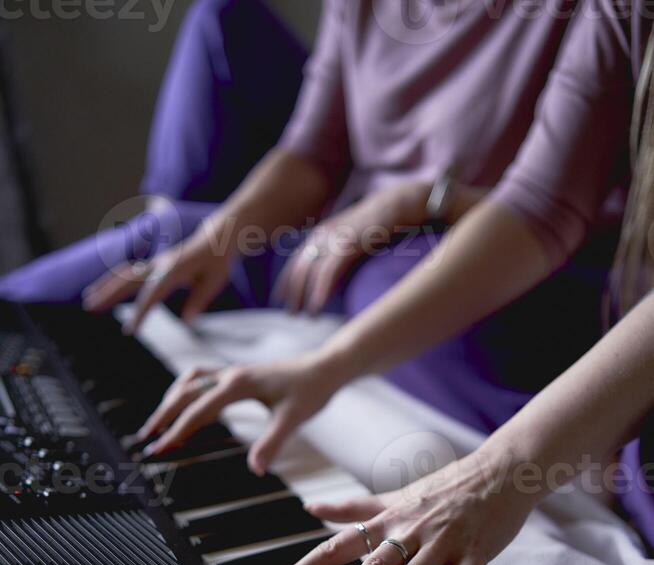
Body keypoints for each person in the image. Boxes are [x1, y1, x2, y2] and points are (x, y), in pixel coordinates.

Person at [116, 0, 654, 565]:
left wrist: (503, 470)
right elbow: (539, 207)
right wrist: (323, 366)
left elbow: (549, 215)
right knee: (155, 243)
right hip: (363, 250)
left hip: (452, 267)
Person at [4, 0, 613, 434]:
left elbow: (547, 212)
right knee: (165, 242)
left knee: (380, 290)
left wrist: (418, 199)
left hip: (469, 249)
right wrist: (217, 238)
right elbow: (314, 149)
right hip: (343, 237)